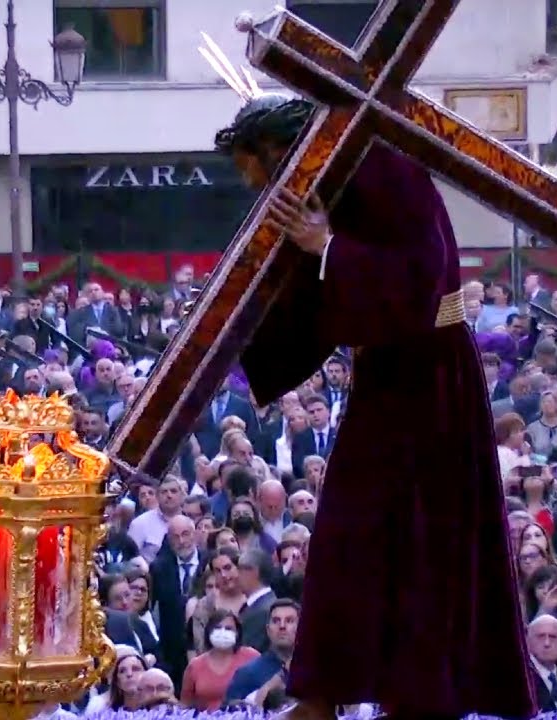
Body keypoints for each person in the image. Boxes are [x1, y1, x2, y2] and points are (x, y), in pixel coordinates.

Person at [212, 93, 533, 720]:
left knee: (420, 540)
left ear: (277, 148)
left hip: (431, 379)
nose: (254, 183)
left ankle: (417, 697)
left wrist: (327, 246)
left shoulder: (386, 168)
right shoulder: (334, 178)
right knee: (350, 534)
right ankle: (323, 693)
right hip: (387, 374)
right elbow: (309, 287)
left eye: (254, 166)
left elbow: (422, 276)